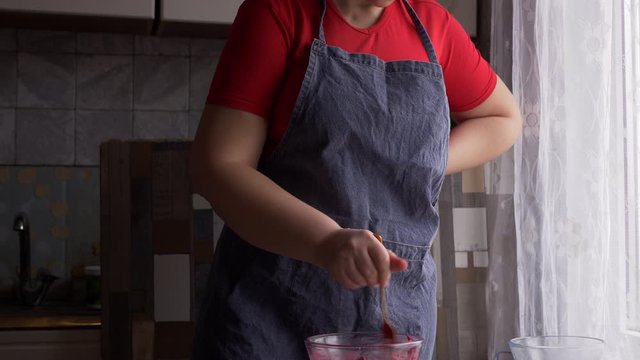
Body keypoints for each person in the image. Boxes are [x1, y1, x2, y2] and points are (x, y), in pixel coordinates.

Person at [190, 0, 522, 358]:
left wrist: (412, 162)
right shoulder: (277, 11)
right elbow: (218, 167)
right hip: (269, 315)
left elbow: (503, 119)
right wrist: (325, 241)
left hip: (399, 316)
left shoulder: (433, 25)